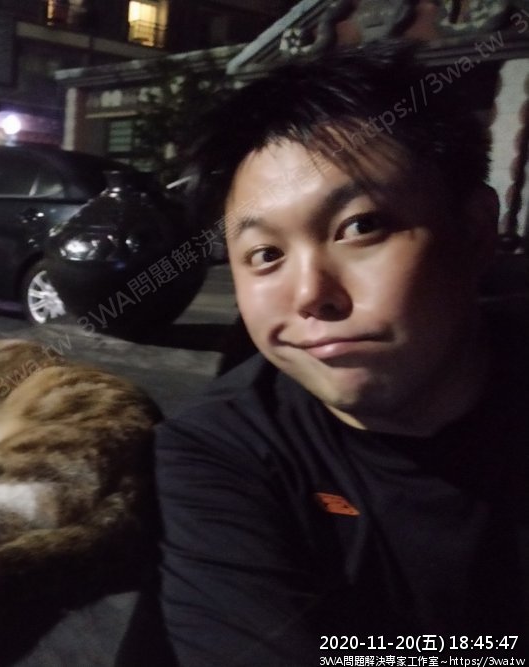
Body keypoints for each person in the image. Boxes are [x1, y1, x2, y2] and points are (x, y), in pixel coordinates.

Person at [155, 41, 529, 666]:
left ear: (472, 229)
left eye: (360, 226)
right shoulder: (221, 457)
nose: (310, 294)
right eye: (265, 255)